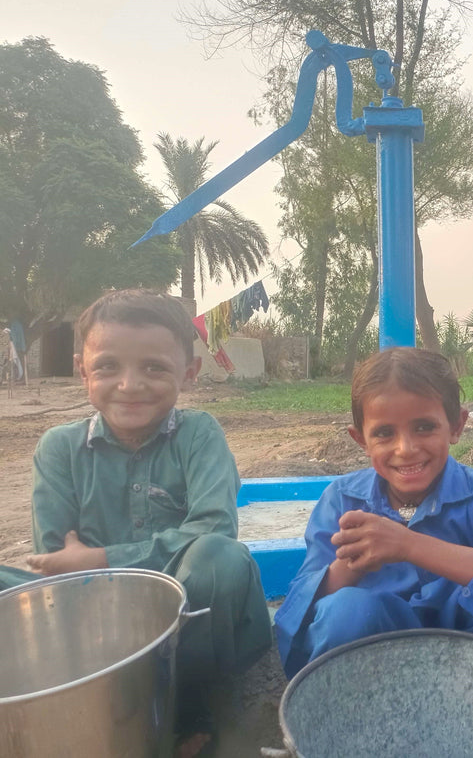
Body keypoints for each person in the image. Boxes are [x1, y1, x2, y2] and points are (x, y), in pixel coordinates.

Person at [0, 289, 272, 758]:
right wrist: (87, 569)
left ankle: (192, 709)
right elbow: (60, 569)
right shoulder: (58, 449)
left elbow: (213, 529)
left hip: (196, 620)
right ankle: (70, 695)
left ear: (189, 372)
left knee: (217, 558)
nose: (130, 385)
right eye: (107, 367)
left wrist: (102, 558)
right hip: (98, 618)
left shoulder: (199, 434)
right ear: (82, 371)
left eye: (154, 368)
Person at [275, 346, 473, 679]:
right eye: (384, 433)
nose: (405, 449)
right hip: (376, 669)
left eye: (424, 428)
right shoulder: (341, 500)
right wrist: (353, 563)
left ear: (457, 425)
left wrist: (408, 545)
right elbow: (299, 612)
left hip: (463, 671)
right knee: (344, 612)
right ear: (361, 440)